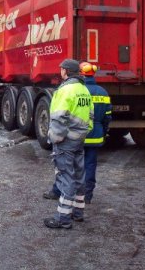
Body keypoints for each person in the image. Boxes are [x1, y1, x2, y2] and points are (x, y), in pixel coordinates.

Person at [43, 62, 111, 205]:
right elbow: (107, 116)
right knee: (89, 165)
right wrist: (103, 133)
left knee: (67, 167)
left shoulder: (77, 89)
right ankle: (87, 195)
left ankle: (58, 191)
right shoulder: (103, 92)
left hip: (75, 135)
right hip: (94, 134)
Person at [43, 59, 94, 229]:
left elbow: (58, 117)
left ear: (66, 71)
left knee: (66, 177)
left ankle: (62, 218)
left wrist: (55, 138)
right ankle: (78, 213)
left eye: (61, 69)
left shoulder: (65, 90)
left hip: (65, 141)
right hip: (79, 139)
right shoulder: (84, 90)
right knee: (79, 176)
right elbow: (90, 117)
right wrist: (83, 134)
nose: (60, 72)